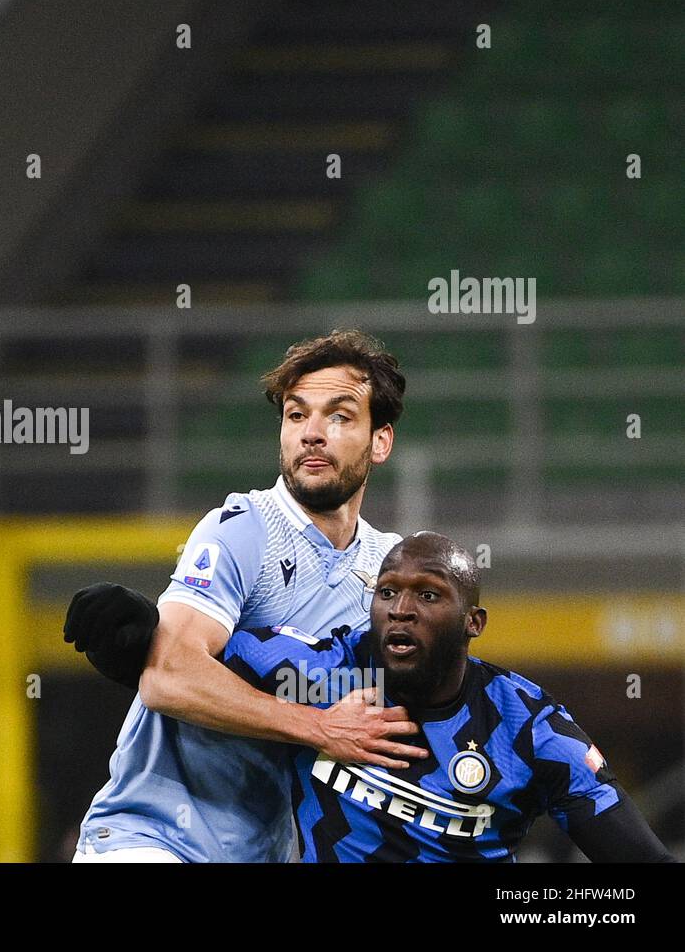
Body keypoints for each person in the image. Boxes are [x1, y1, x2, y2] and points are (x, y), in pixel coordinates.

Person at [66, 329, 426, 862]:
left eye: (340, 416)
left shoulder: (391, 567)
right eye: (296, 415)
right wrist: (320, 727)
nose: (312, 434)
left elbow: (422, 707)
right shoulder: (242, 528)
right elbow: (167, 675)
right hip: (151, 839)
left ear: (381, 441)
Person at [219, 532, 674, 861]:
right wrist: (308, 725)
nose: (401, 609)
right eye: (388, 591)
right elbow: (175, 655)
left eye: (429, 594)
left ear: (472, 622)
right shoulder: (317, 676)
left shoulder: (528, 727)